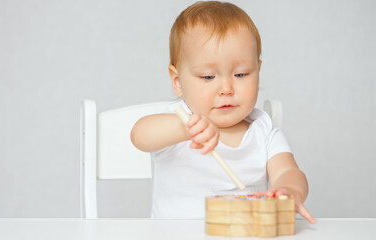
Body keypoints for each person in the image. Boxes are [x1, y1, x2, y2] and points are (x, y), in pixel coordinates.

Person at [131, 1, 315, 224]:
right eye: (208, 77)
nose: (227, 89)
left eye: (241, 74)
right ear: (178, 81)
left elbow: (288, 171)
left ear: (258, 71)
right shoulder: (176, 122)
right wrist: (186, 127)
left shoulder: (264, 133)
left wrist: (289, 191)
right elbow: (139, 136)